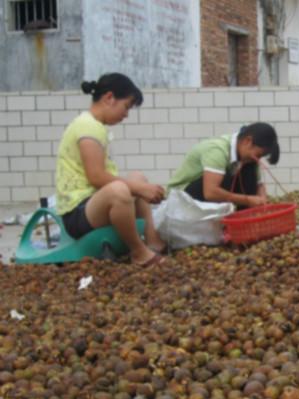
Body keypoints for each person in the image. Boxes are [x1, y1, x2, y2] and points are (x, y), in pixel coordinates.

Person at [55, 73, 167, 266]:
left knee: (137, 178)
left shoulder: (93, 125)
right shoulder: (87, 127)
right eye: (126, 106)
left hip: (91, 204)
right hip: (78, 213)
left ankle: (152, 240)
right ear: (109, 98)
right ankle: (139, 251)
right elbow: (96, 177)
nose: (126, 114)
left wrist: (138, 186)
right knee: (120, 190)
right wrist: (138, 189)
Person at [167, 123, 280, 209]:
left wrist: (262, 199)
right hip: (181, 197)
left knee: (249, 169)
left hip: (204, 193)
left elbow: (259, 185)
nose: (257, 159)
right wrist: (248, 200)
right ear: (248, 141)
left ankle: (244, 219)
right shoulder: (218, 150)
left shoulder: (248, 157)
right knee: (224, 178)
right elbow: (210, 193)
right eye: (258, 155)